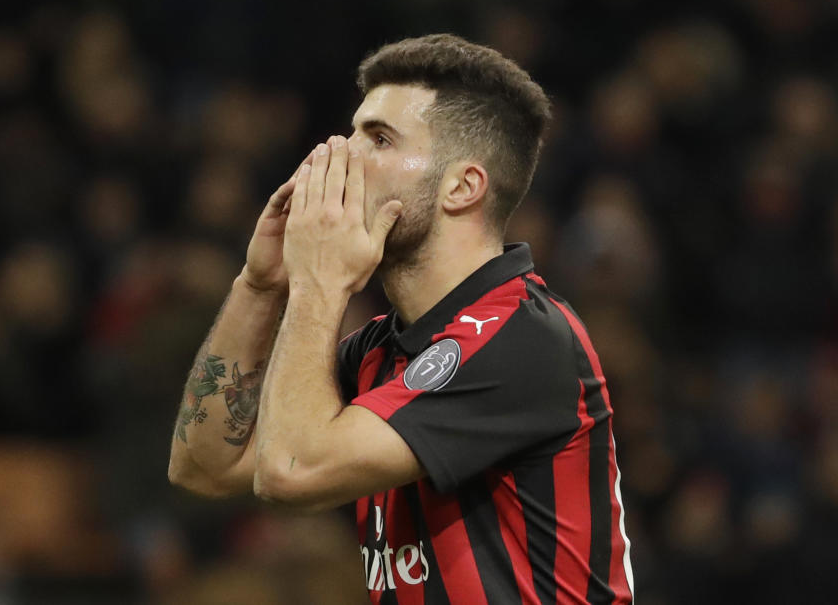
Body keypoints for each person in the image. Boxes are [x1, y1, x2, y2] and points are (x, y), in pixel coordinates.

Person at [168, 34, 634, 604]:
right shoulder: (376, 352)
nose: (340, 155)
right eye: (353, 130)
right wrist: (260, 285)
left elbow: (295, 471)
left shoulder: (521, 333)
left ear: (462, 187)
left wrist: (320, 280)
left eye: (380, 139)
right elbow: (205, 465)